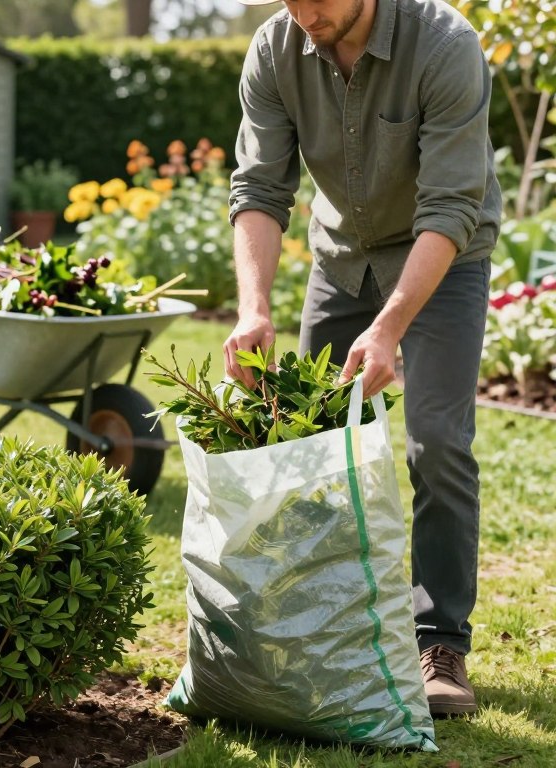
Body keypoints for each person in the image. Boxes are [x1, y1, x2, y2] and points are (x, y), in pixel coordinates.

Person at [222, 0, 502, 716]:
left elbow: (449, 206)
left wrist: (389, 328)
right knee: (311, 443)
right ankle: (329, 628)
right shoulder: (276, 49)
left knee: (437, 439)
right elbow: (259, 185)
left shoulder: (445, 45)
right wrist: (254, 308)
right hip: (343, 258)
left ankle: (440, 642)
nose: (305, 12)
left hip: (444, 257)